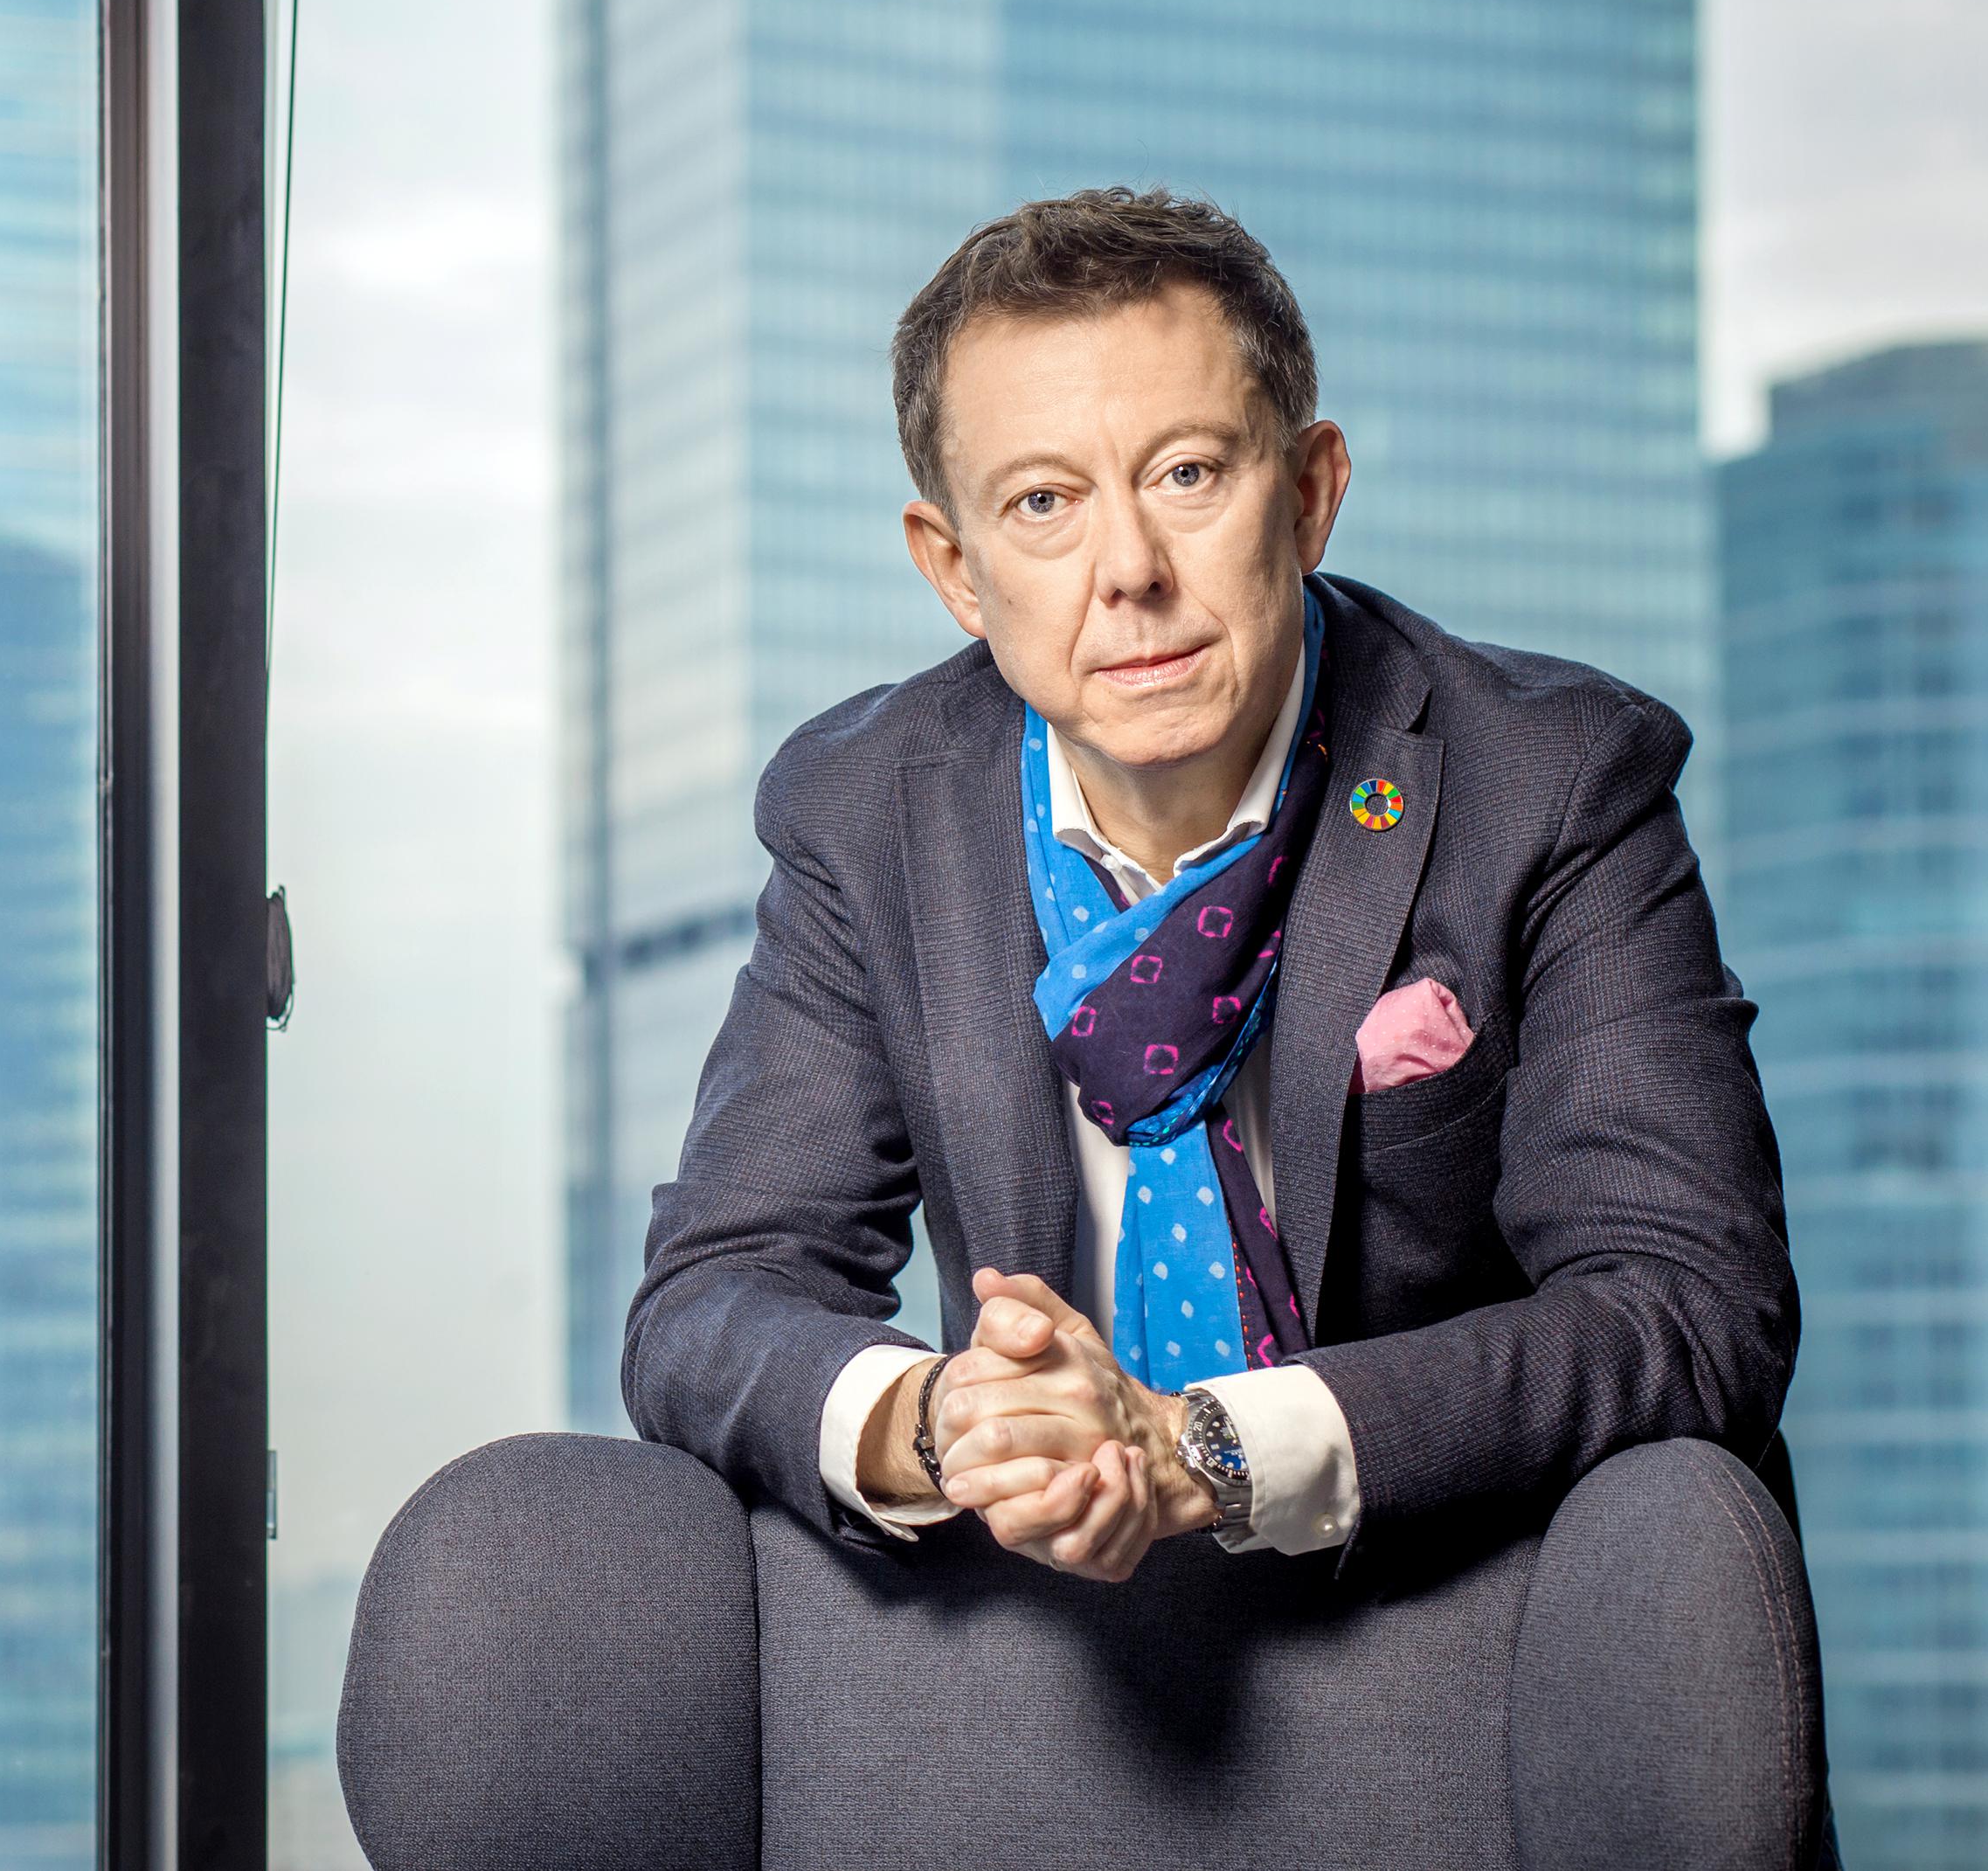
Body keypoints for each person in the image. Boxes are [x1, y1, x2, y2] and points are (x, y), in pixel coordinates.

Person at [623, 188, 1797, 1577]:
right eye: (1043, 503)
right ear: (955, 569)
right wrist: (952, 1422)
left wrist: (1208, 1447)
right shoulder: (868, 811)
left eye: (1187, 474)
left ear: (1307, 494)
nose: (1129, 571)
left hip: (1447, 1616)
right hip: (1043, 1632)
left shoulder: (1552, 781)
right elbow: (715, 1296)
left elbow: (1687, 1304)